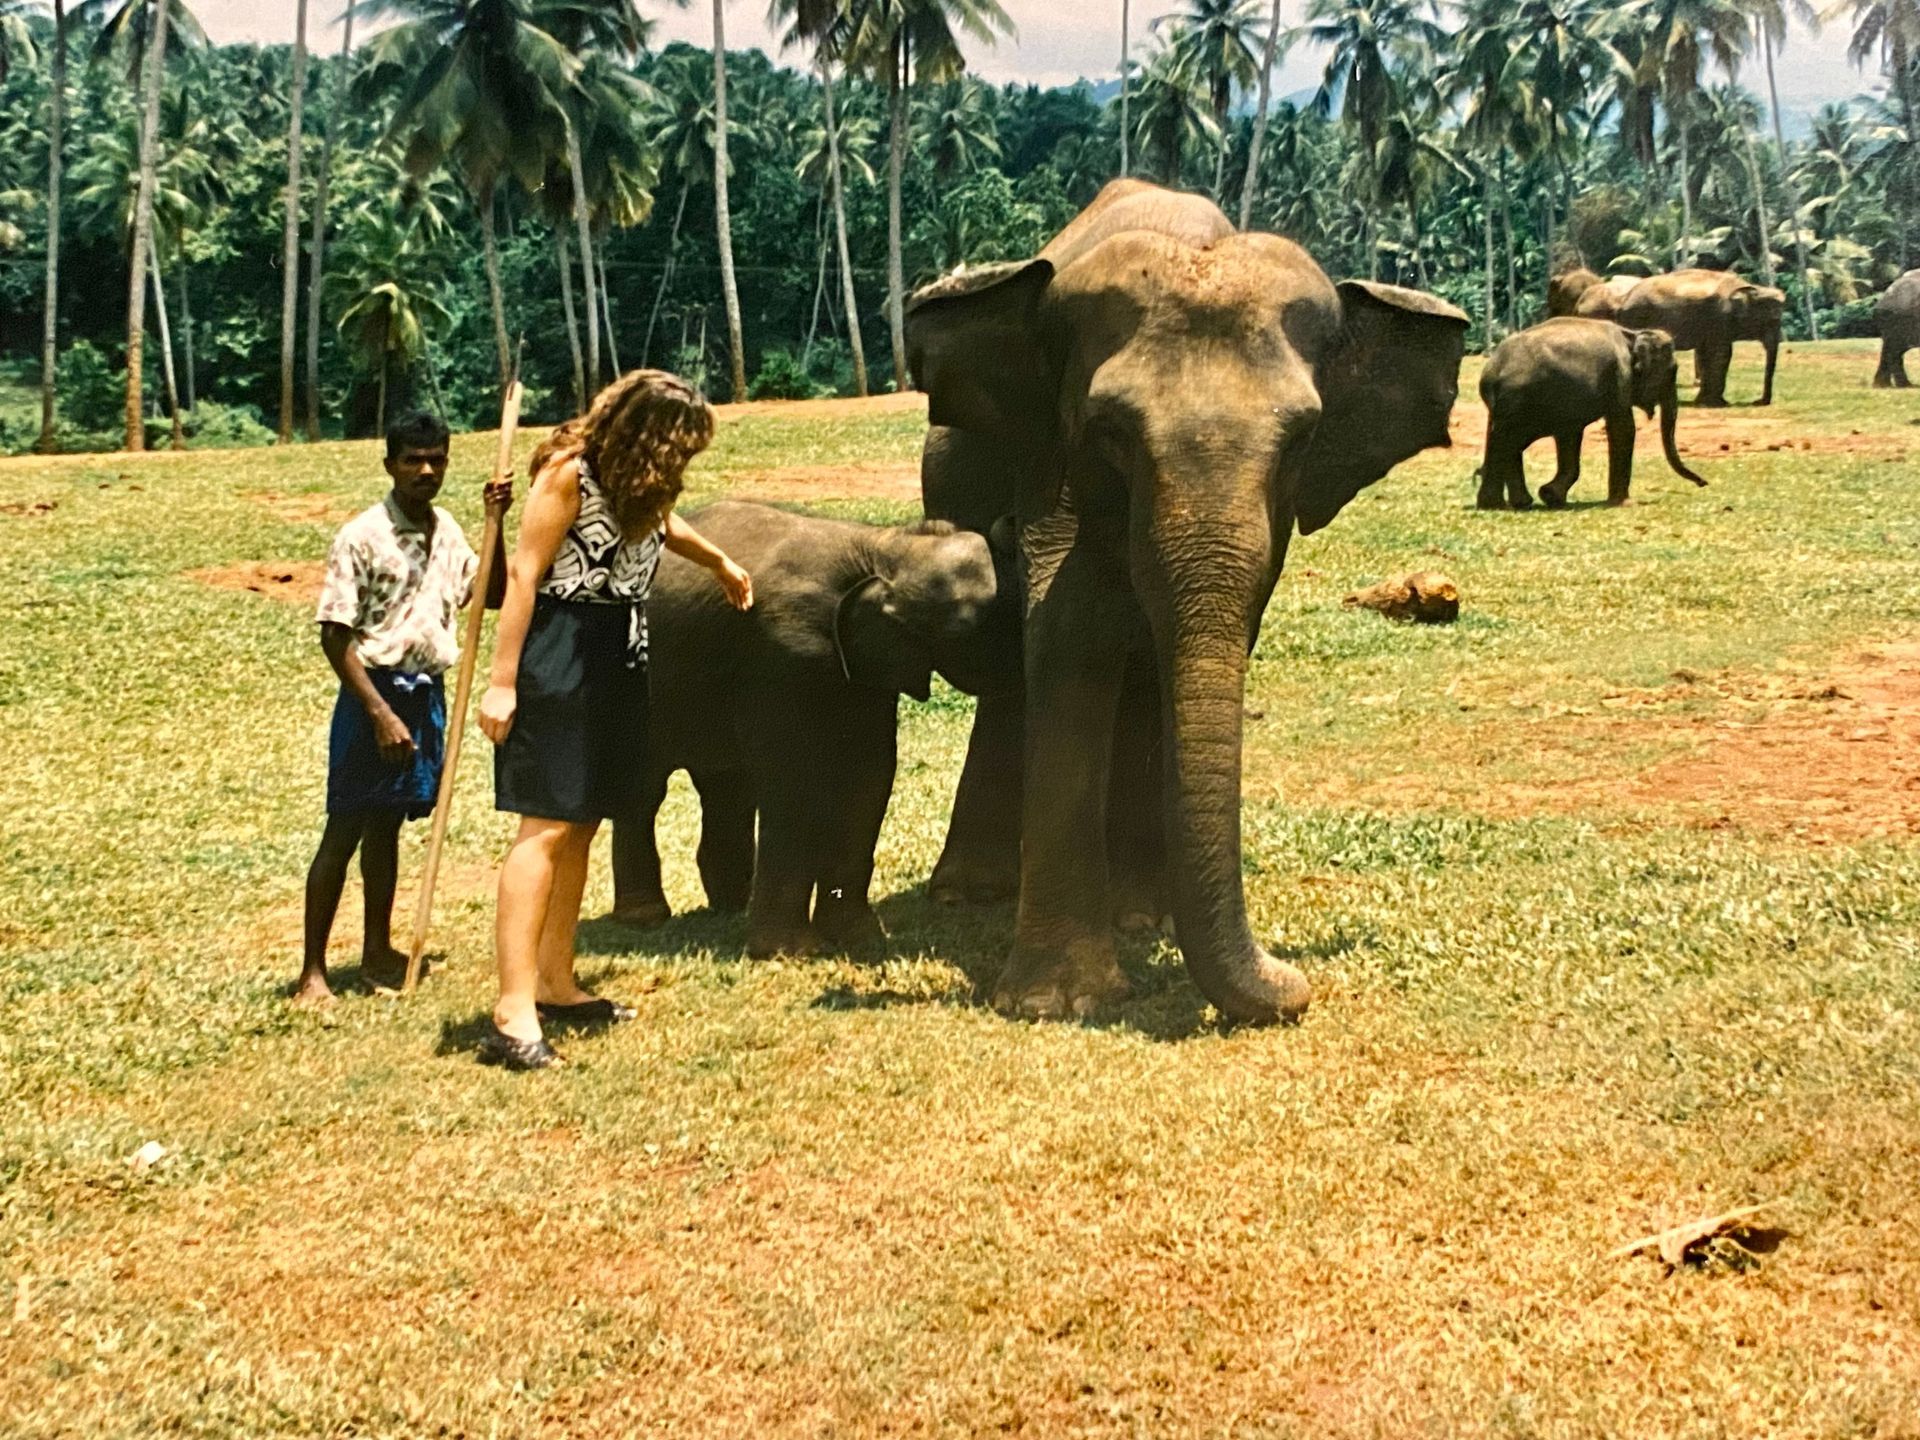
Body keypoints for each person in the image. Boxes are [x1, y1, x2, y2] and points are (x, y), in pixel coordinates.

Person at [477, 371, 753, 1070]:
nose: (686, 464)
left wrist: (719, 561)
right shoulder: (568, 476)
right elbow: (523, 577)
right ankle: (513, 1011)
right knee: (543, 826)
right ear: (651, 437)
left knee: (583, 823)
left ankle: (556, 980)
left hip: (620, 649)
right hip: (560, 649)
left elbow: (664, 525)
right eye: (682, 448)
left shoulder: (642, 488)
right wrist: (503, 682)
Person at [295, 411, 510, 1004]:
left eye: (436, 458)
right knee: (345, 827)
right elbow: (335, 636)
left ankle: (376, 951)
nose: (426, 470)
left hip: (424, 694)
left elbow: (492, 594)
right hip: (375, 697)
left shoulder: (448, 533)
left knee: (387, 828)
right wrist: (380, 715)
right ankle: (312, 972)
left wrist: (498, 524)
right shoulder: (362, 536)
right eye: (413, 459)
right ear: (389, 463)